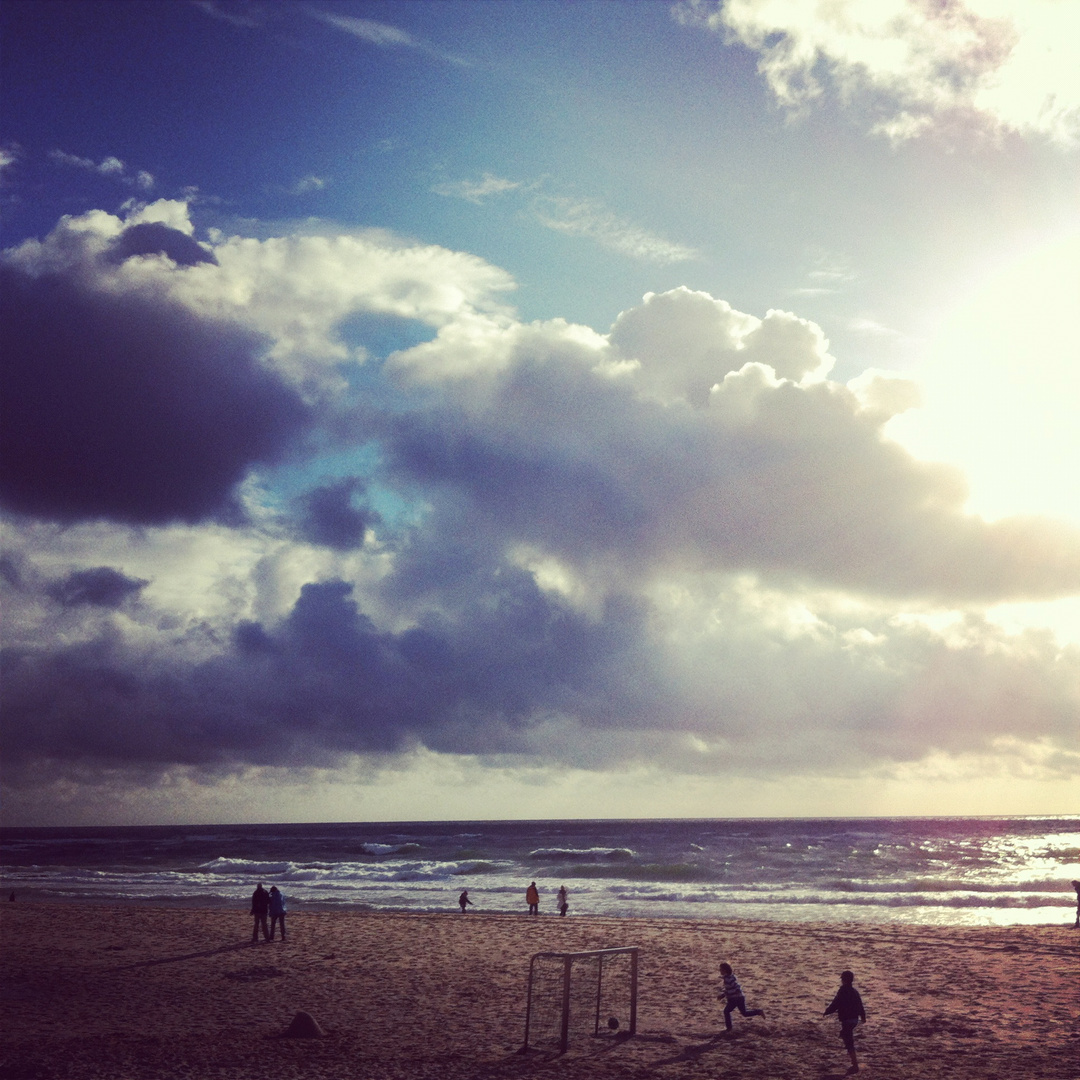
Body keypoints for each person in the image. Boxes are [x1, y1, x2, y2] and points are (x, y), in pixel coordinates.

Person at [824, 969, 866, 1075]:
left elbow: (836, 1003)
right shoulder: (855, 992)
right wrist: (863, 1017)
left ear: (844, 980)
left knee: (849, 1041)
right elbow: (860, 1005)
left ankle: (855, 1064)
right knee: (847, 1037)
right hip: (854, 1020)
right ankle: (853, 1061)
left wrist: (827, 1011)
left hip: (847, 1020)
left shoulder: (842, 990)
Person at [717, 962, 765, 1030]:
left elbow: (736, 987)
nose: (720, 971)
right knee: (744, 1013)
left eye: (721, 970)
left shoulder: (728, 979)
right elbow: (730, 989)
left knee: (726, 1011)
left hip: (735, 999)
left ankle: (729, 1028)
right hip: (739, 997)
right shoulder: (729, 977)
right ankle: (759, 1011)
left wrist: (729, 994)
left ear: (725, 970)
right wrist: (723, 995)